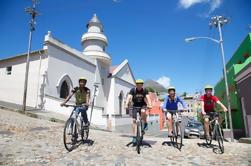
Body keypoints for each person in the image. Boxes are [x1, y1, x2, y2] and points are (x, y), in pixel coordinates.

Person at [125, 79, 152, 144]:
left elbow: (148, 98)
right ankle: (134, 137)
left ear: (142, 85)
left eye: (140, 85)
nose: (139, 86)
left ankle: (145, 123)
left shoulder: (145, 90)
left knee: (143, 111)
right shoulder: (133, 90)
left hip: (142, 105)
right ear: (136, 85)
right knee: (134, 120)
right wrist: (126, 104)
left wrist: (150, 104)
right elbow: (129, 97)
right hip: (135, 106)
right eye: (138, 84)